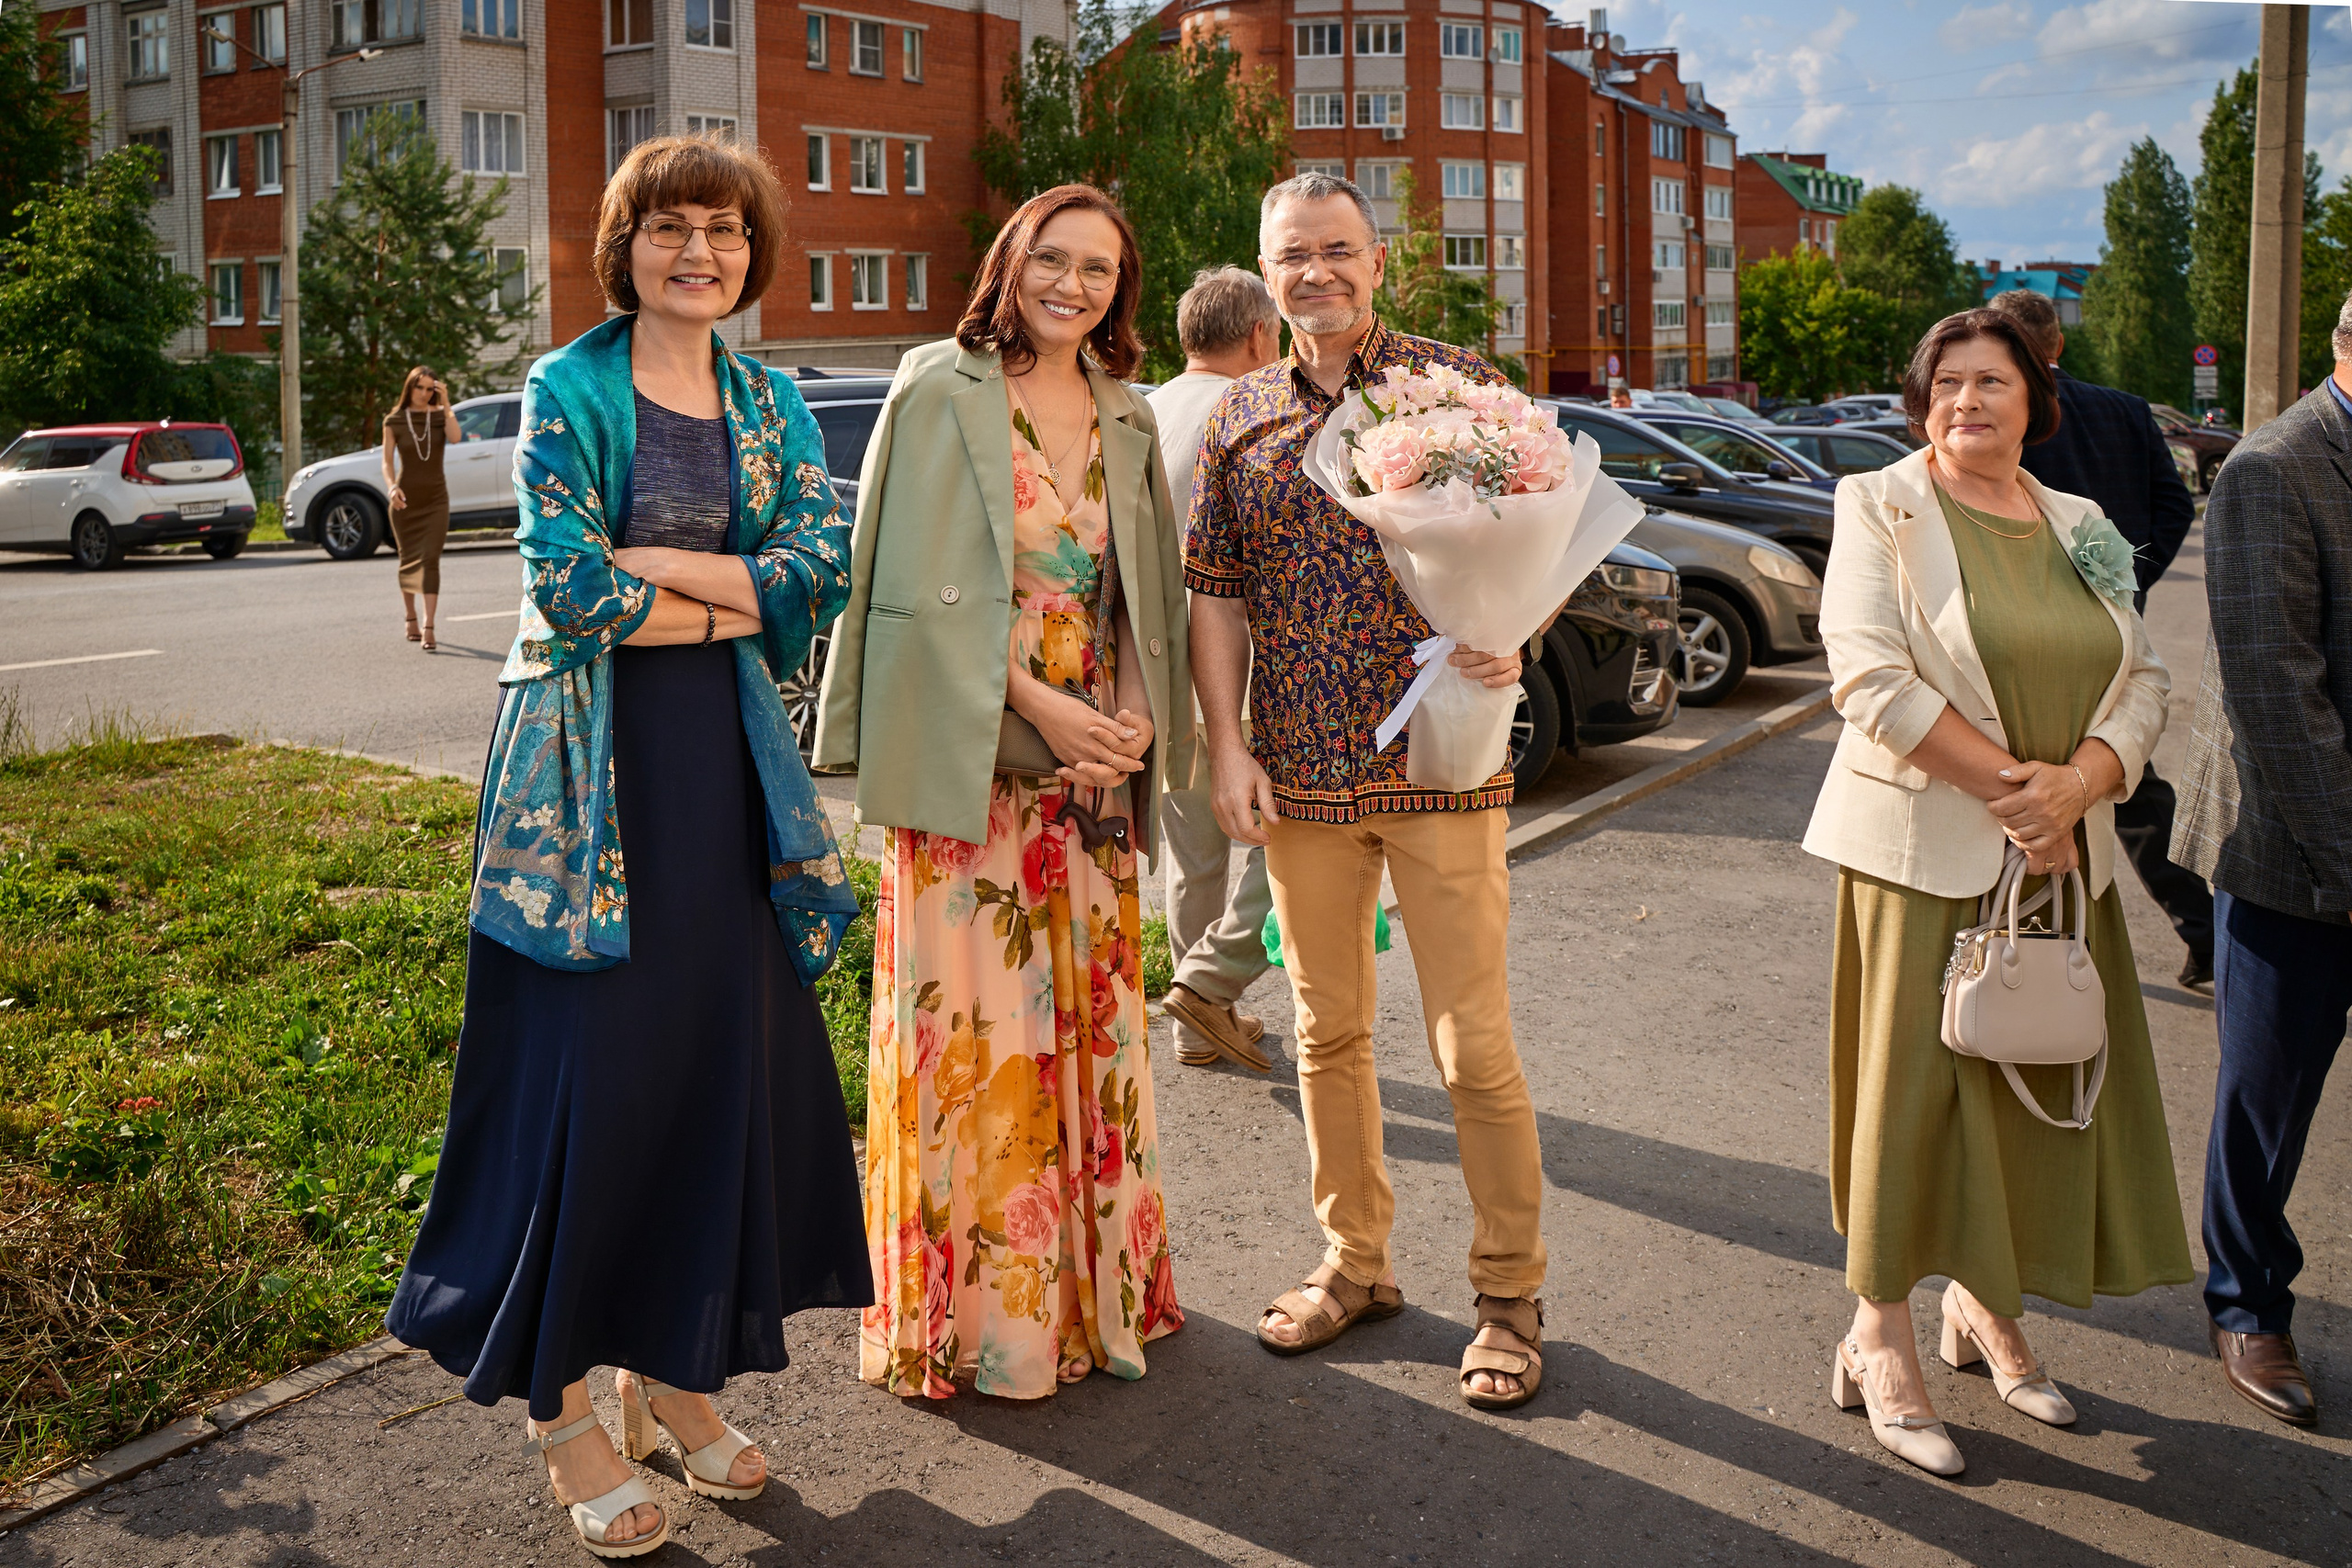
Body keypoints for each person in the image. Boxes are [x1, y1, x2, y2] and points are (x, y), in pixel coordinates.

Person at [385, 135, 866, 1559]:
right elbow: (567, 585)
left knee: (713, 1069)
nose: (697, 251)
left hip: (721, 776)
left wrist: (676, 578)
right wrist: (731, 596)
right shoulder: (566, 385)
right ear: (626, 244)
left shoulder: (770, 397)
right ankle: (562, 1409)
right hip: (584, 788)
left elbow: (816, 568)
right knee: (589, 1076)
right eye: (668, 228)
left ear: (750, 251)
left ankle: (668, 1373)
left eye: (721, 229)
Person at [812, 184, 1193, 1401]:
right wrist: (1037, 703)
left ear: (1121, 289)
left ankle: (1090, 1303)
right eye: (1054, 259)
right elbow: (899, 589)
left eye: (1099, 268)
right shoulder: (939, 384)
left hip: (1089, 785)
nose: (1073, 284)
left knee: (1084, 1033)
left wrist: (1125, 723)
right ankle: (987, 1322)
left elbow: (1149, 597)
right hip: (972, 767)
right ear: (1011, 261)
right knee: (974, 1041)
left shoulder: (1130, 415)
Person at [1804, 308, 2190, 1477]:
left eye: (1992, 383)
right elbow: (1867, 677)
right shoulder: (1878, 504)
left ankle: (1982, 1302)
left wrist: (2080, 787)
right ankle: (1877, 1335)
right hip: (1926, 856)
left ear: (2037, 400)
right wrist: (2021, 799)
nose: (1967, 401)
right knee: (1910, 1104)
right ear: (1922, 402)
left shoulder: (2079, 523)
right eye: (1947, 384)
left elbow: (2147, 676)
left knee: (2031, 1095)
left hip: (2063, 862)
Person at [1188, 171, 1548, 1410]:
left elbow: (1542, 533)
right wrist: (1227, 746)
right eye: (1295, 255)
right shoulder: (1239, 414)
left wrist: (1518, 626)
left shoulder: (1456, 388)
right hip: (1300, 773)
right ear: (1267, 267)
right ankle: (1356, 1263)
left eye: (1339, 250)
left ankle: (1509, 1290)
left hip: (1443, 764)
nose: (1318, 273)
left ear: (1378, 261)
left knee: (1472, 1044)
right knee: (1327, 1032)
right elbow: (1216, 591)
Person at [2169, 288, 2352, 1430]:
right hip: (2292, 849)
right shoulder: (2276, 468)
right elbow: (2278, 702)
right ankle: (2244, 1304)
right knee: (2267, 1102)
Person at [1986, 289, 2211, 988]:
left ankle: (2020, 956)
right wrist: (2125, 584)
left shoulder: (2005, 414)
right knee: (2122, 779)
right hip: (2112, 625)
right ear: (2058, 344)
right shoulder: (2123, 408)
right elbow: (2174, 502)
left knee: (2024, 778)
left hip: (2021, 630)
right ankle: (2208, 933)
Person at [1148, 266, 1283, 1071]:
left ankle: (1196, 1024)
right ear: (1260, 336)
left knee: (1193, 855)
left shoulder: (1143, 408)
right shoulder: (1252, 411)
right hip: (1241, 671)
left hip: (1158, 675)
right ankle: (1209, 981)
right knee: (1291, 835)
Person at [383, 367, 459, 652]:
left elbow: (455, 437)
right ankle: (410, 617)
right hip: (405, 501)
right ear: (409, 388)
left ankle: (429, 625)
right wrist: (391, 487)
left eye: (430, 389)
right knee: (408, 560)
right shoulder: (393, 419)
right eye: (420, 388)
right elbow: (387, 462)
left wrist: (446, 402)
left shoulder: (440, 416)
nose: (425, 394)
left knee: (430, 559)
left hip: (436, 500)